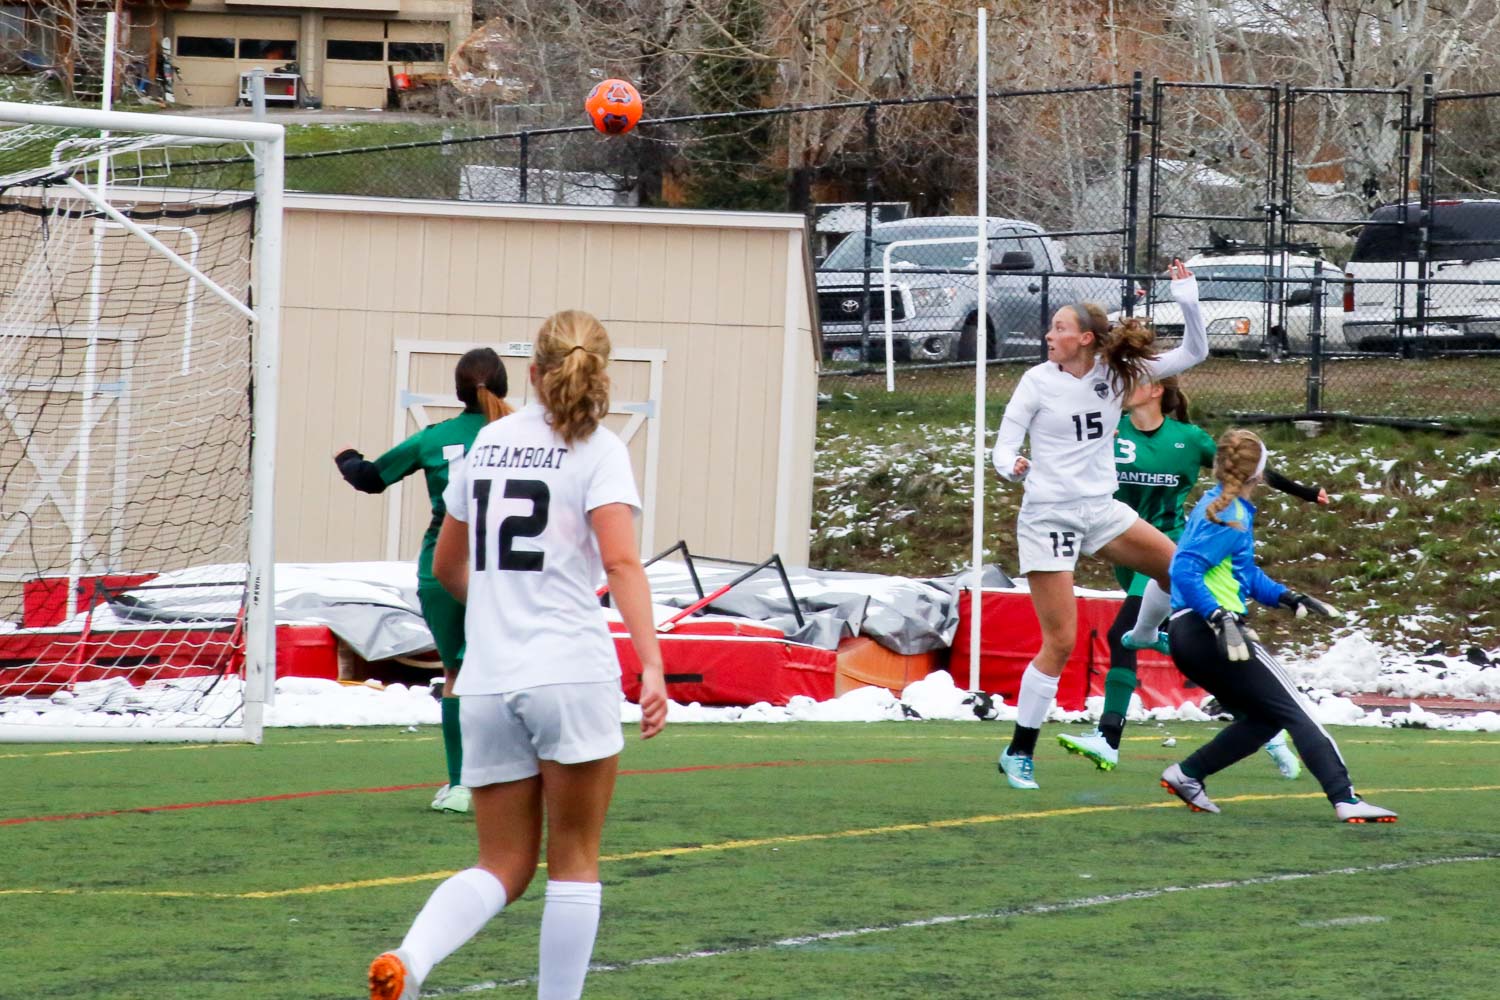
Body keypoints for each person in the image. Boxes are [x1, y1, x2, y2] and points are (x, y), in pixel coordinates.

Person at [367, 311, 669, 1000]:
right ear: (601, 372)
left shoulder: (489, 444)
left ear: (531, 373)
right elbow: (622, 562)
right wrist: (651, 663)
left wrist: (503, 607)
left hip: (488, 680)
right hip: (569, 672)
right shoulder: (600, 448)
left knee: (501, 861)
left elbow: (448, 567)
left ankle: (411, 960)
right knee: (574, 860)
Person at [991, 259, 1208, 790]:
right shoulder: (1035, 381)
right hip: (1048, 515)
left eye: (1059, 328)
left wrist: (1188, 295)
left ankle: (1145, 631)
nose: (1049, 334)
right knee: (1060, 641)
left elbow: (1195, 352)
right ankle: (1019, 751)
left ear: (1086, 339)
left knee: (1176, 569)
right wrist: (1009, 464)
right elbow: (1004, 442)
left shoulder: (1116, 377)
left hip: (1100, 510)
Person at [1055, 375, 1328, 775]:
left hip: (1168, 548)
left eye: (1136, 380)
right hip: (1122, 546)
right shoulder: (1111, 429)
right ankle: (1270, 735)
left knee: (1122, 636)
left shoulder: (1188, 438)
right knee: (1196, 658)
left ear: (1156, 390)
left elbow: (1246, 469)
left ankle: (1107, 738)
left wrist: (1305, 492)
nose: (1124, 386)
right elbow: (1071, 461)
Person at [1160, 428, 1396, 823]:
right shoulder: (1230, 514)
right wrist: (1219, 618)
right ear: (1259, 473)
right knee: (1297, 709)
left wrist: (1288, 597)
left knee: (1264, 719)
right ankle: (1346, 798)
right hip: (1213, 632)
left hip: (1192, 635)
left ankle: (1188, 774)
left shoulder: (1221, 507)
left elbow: (1242, 574)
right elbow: (1183, 568)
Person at [335, 349, 513, 815]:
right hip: (511, 569)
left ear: (458, 391)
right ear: (506, 385)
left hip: (446, 566)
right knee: (513, 677)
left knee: (457, 675)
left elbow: (369, 479)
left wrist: (345, 456)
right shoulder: (526, 434)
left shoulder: (436, 438)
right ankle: (515, 780)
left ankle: (462, 785)